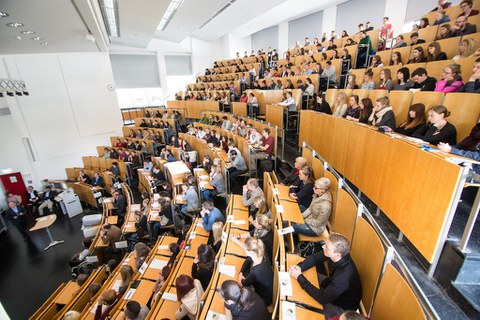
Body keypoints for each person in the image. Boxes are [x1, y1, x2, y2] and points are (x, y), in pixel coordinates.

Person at [289, 233, 362, 318]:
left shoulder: (343, 277)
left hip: (340, 307)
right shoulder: (336, 255)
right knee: (301, 281)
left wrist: (299, 277)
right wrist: (299, 267)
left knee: (303, 310)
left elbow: (322, 298)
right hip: (330, 286)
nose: (323, 246)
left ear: (337, 254)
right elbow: (315, 258)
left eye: (327, 247)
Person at [237, 237, 273, 306]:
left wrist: (239, 277)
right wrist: (241, 273)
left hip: (263, 299)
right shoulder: (261, 253)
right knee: (245, 271)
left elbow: (243, 283)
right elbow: (248, 260)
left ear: (251, 253)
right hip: (266, 289)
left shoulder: (256, 272)